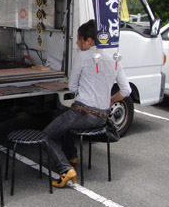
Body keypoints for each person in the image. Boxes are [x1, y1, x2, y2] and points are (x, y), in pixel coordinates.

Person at [43, 19, 131, 187]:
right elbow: (126, 91)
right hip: (103, 117)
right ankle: (71, 156)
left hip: (83, 113)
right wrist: (110, 100)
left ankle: (65, 169)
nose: (77, 43)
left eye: (79, 39)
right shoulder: (114, 58)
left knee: (45, 135)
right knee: (59, 116)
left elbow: (72, 86)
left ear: (89, 40)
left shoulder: (83, 56)